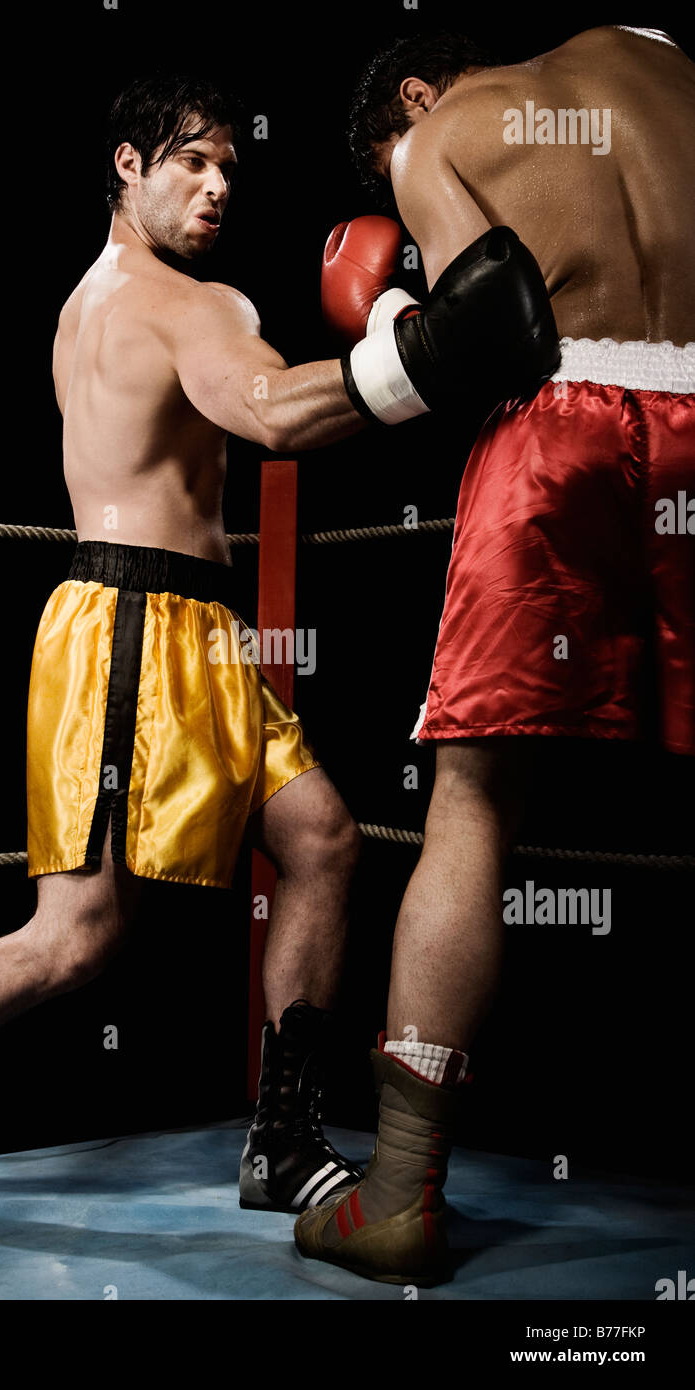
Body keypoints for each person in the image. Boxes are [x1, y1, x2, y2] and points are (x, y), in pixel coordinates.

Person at [0, 73, 377, 1226]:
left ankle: (280, 1139)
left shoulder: (88, 303)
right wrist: (415, 362)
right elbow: (274, 414)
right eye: (191, 161)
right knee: (77, 937)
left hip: (191, 628)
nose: (218, 185)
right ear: (127, 166)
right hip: (131, 627)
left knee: (322, 839)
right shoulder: (182, 302)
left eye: (229, 167)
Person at [295, 25, 695, 1285]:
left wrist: (395, 317)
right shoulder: (671, 69)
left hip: (565, 430)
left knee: (470, 804)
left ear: (411, 95)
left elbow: (500, 323)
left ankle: (401, 1194)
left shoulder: (440, 132)